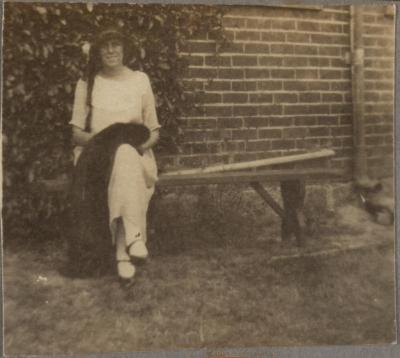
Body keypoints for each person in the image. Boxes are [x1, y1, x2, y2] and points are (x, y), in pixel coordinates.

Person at [69, 27, 161, 280]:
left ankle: (124, 250)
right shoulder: (87, 83)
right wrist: (105, 146)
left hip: (136, 156)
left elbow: (154, 131)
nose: (110, 50)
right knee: (120, 154)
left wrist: (136, 148)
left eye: (115, 44)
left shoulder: (140, 80)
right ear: (97, 51)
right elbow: (76, 134)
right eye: (105, 45)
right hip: (96, 160)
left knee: (125, 156)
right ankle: (131, 244)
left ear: (125, 49)